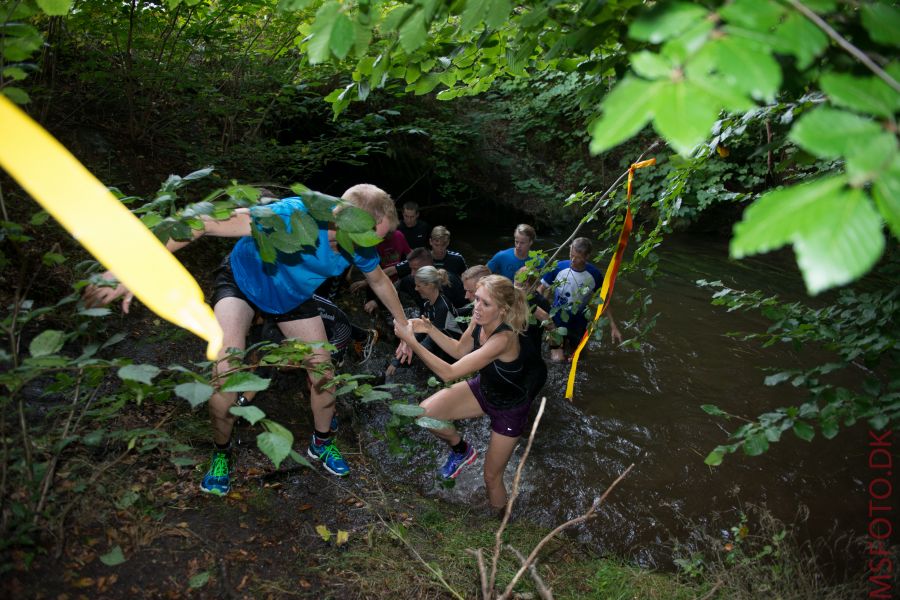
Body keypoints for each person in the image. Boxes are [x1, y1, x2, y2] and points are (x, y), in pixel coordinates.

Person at [83, 184, 412, 493]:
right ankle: (222, 452)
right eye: (369, 235)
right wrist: (129, 266)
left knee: (324, 373)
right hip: (242, 283)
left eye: (377, 239)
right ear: (343, 217)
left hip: (292, 298)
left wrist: (404, 326)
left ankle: (322, 443)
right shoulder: (293, 215)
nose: (372, 245)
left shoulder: (361, 246)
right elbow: (202, 221)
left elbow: (380, 281)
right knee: (226, 372)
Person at [393, 275, 547, 513]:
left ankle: (501, 524)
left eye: (485, 304)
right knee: (425, 413)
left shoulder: (504, 339)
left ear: (502, 310)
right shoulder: (478, 321)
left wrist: (412, 342)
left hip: (509, 408)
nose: (476, 307)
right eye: (477, 299)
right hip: (483, 389)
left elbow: (448, 372)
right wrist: (428, 328)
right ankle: (462, 450)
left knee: (491, 477)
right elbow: (458, 350)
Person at [537, 237, 622, 363]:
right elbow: (540, 289)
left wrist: (613, 325)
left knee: (578, 358)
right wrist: (539, 313)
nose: (572, 260)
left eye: (577, 257)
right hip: (556, 322)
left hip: (579, 323)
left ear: (587, 256)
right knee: (557, 360)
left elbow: (604, 300)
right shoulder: (558, 268)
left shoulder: (595, 275)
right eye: (571, 255)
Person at [386, 266, 462, 376]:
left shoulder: (442, 307)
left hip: (453, 355)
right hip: (441, 348)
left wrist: (409, 352)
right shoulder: (427, 304)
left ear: (429, 285)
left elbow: (432, 340)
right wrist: (398, 358)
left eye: (418, 285)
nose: (416, 289)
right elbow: (422, 331)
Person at [395, 247, 468, 309]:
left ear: (428, 266)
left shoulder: (449, 282)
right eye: (411, 269)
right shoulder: (408, 281)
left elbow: (464, 305)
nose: (412, 274)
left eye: (415, 269)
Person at [388, 225, 467, 280]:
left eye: (443, 244)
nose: (440, 249)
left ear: (448, 242)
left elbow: (467, 277)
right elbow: (394, 270)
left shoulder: (457, 258)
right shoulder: (421, 258)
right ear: (430, 242)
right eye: (436, 245)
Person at [514, 266, 552, 353]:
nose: (515, 289)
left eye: (519, 286)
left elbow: (550, 327)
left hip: (532, 345)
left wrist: (556, 349)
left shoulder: (542, 302)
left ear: (532, 286)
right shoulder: (512, 299)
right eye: (515, 284)